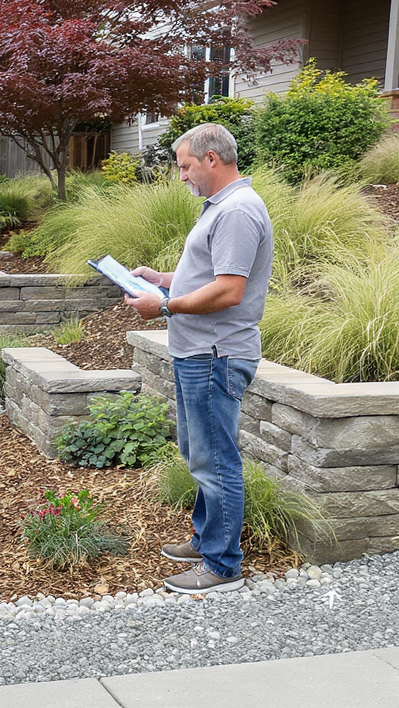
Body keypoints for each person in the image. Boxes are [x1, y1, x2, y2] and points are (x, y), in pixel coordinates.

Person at [122, 122, 272, 594]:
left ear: (211, 159)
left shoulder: (237, 211)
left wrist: (162, 305)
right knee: (200, 453)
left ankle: (223, 566)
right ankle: (208, 539)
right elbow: (210, 273)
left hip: (215, 353)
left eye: (185, 167)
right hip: (199, 352)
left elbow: (229, 291)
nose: (182, 176)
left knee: (216, 460)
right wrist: (163, 279)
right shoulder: (221, 209)